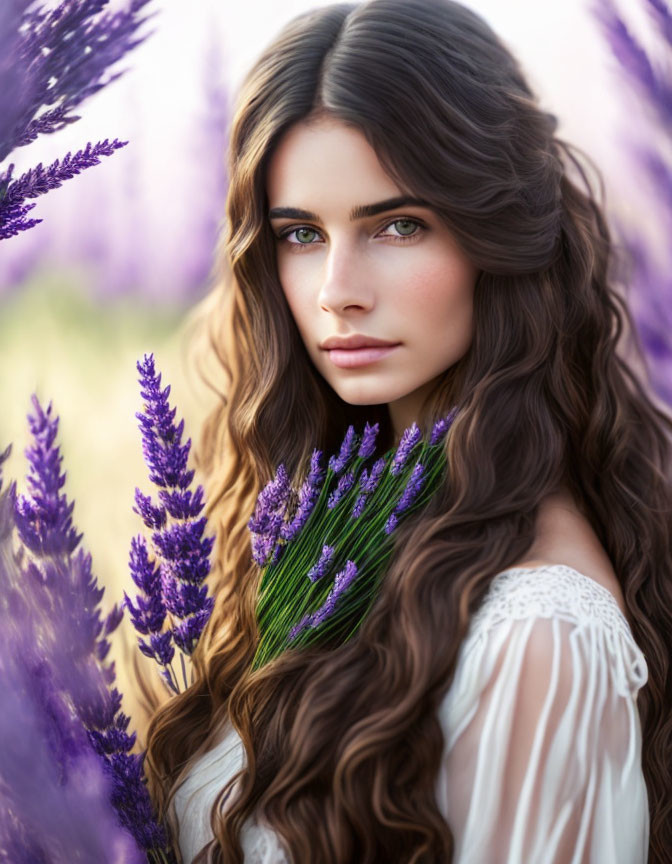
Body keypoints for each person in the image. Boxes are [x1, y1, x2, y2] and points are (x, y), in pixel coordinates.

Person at [143, 0, 672, 861]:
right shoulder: (347, 519)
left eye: (398, 225)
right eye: (302, 234)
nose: (335, 291)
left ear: (497, 234)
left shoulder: (536, 636)